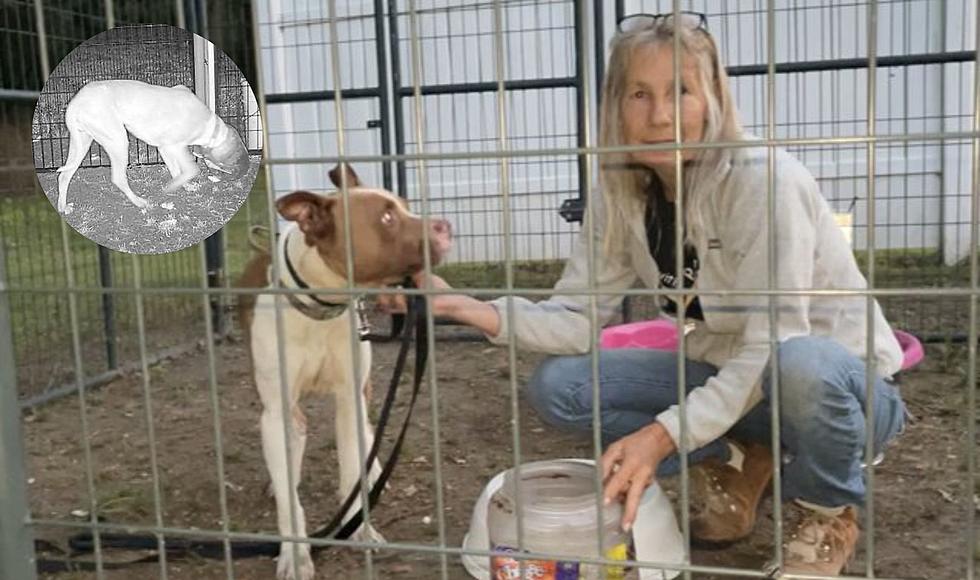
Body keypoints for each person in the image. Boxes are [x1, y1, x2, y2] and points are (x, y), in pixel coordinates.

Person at [389, 12, 907, 576]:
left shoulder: (763, 180)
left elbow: (773, 344)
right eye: (639, 94)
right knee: (559, 387)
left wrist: (661, 436)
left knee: (801, 362)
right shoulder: (619, 190)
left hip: (846, 391)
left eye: (680, 91)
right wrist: (467, 307)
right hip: (740, 381)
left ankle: (827, 511)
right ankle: (739, 458)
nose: (660, 116)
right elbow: (574, 318)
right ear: (616, 105)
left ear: (712, 100)